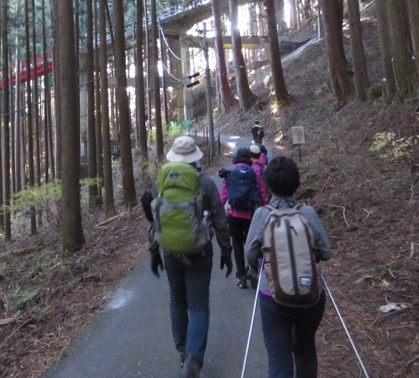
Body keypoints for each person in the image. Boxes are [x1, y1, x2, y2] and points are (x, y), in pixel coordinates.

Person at [142, 135, 232, 378]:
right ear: (195, 159)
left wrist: (154, 252)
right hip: (200, 252)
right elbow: (220, 223)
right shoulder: (206, 184)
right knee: (198, 305)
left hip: (170, 252)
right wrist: (227, 252)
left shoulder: (161, 183)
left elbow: (156, 220)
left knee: (177, 301)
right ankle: (194, 357)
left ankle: (183, 352)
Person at [245, 156, 332, 378]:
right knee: (305, 350)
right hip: (311, 295)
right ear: (296, 185)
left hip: (272, 295)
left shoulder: (263, 214)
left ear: (269, 185)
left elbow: (250, 254)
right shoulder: (308, 213)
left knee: (278, 358)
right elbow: (326, 252)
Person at [219, 146, 266, 290]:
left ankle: (241, 277)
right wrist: (267, 207)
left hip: (233, 215)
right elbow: (263, 193)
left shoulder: (230, 173)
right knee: (252, 244)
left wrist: (220, 210)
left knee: (237, 246)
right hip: (250, 215)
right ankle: (252, 269)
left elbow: (223, 196)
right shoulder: (254, 173)